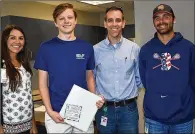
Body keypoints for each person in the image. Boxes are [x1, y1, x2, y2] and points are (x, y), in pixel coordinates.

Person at [34, 3, 104, 133]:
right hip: (57, 113)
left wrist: (94, 99)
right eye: (61, 18)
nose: (66, 21)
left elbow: (89, 78)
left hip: (82, 112)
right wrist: (49, 111)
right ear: (55, 23)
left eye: (70, 17)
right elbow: (42, 84)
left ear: (75, 20)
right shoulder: (46, 48)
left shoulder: (87, 47)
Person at [139, 4, 195, 133]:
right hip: (154, 119)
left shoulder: (189, 48)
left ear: (173, 19)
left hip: (183, 118)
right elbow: (145, 80)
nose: (161, 21)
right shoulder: (146, 50)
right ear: (153, 22)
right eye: (157, 18)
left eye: (166, 17)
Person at [94, 6, 143, 134]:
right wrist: (95, 96)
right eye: (110, 20)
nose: (114, 24)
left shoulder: (134, 48)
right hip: (104, 110)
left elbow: (139, 79)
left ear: (123, 23)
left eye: (118, 20)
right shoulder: (95, 50)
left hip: (128, 110)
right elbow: (91, 79)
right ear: (105, 24)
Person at [0, 25, 37, 134]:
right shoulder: (2, 65)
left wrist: (33, 124)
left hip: (27, 125)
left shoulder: (24, 64)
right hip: (8, 127)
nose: (17, 41)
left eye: (21, 38)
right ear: (5, 40)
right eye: (12, 38)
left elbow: (28, 96)